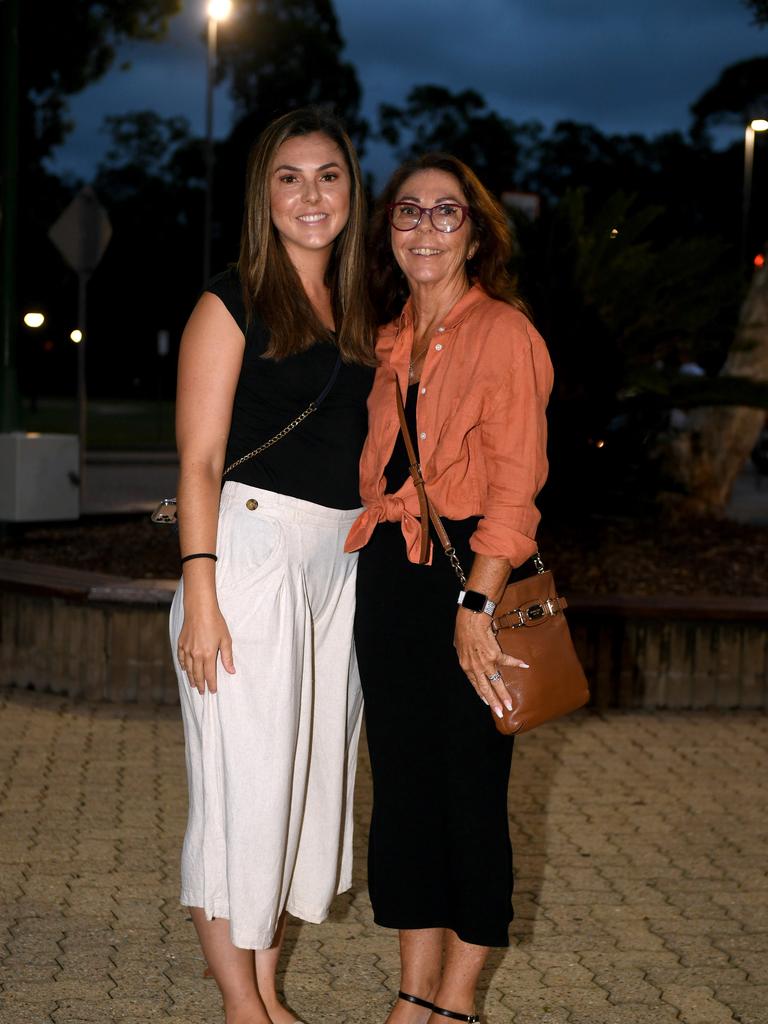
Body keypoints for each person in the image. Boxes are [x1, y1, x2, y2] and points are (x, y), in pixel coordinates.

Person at [170, 107, 375, 1024]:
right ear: (264, 195)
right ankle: (243, 1011)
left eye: (327, 174)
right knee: (241, 795)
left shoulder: (365, 307)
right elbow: (201, 462)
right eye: (289, 177)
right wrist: (203, 598)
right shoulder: (231, 300)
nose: (310, 195)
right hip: (248, 563)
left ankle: (265, 996)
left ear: (351, 190)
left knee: (296, 793)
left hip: (337, 569)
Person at [346, 154, 554, 1024]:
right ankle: (411, 992)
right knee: (401, 791)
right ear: (388, 231)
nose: (425, 228)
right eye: (408, 212)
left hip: (474, 577)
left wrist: (476, 602)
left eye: (446, 213)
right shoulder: (386, 338)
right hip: (391, 577)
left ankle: (458, 1002)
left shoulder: (505, 333)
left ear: (476, 233)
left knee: (471, 788)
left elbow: (516, 489)